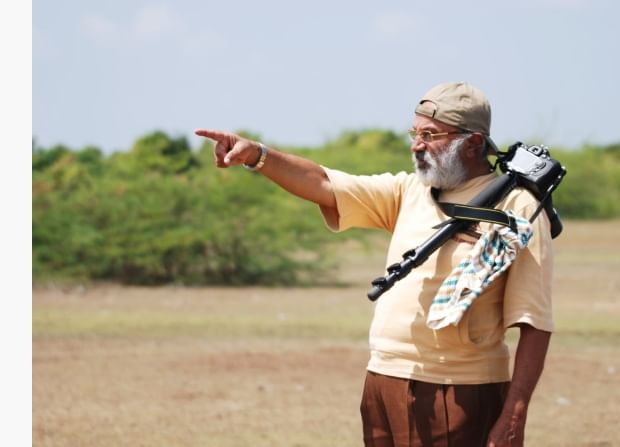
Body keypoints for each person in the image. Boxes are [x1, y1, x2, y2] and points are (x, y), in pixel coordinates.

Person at [195, 81, 554, 447]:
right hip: (383, 380)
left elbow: (534, 321)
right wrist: (257, 155)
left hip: (461, 390)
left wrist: (514, 413)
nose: (417, 145)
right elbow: (322, 182)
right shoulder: (410, 191)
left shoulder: (519, 208)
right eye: (414, 133)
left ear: (474, 143)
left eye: (430, 135)